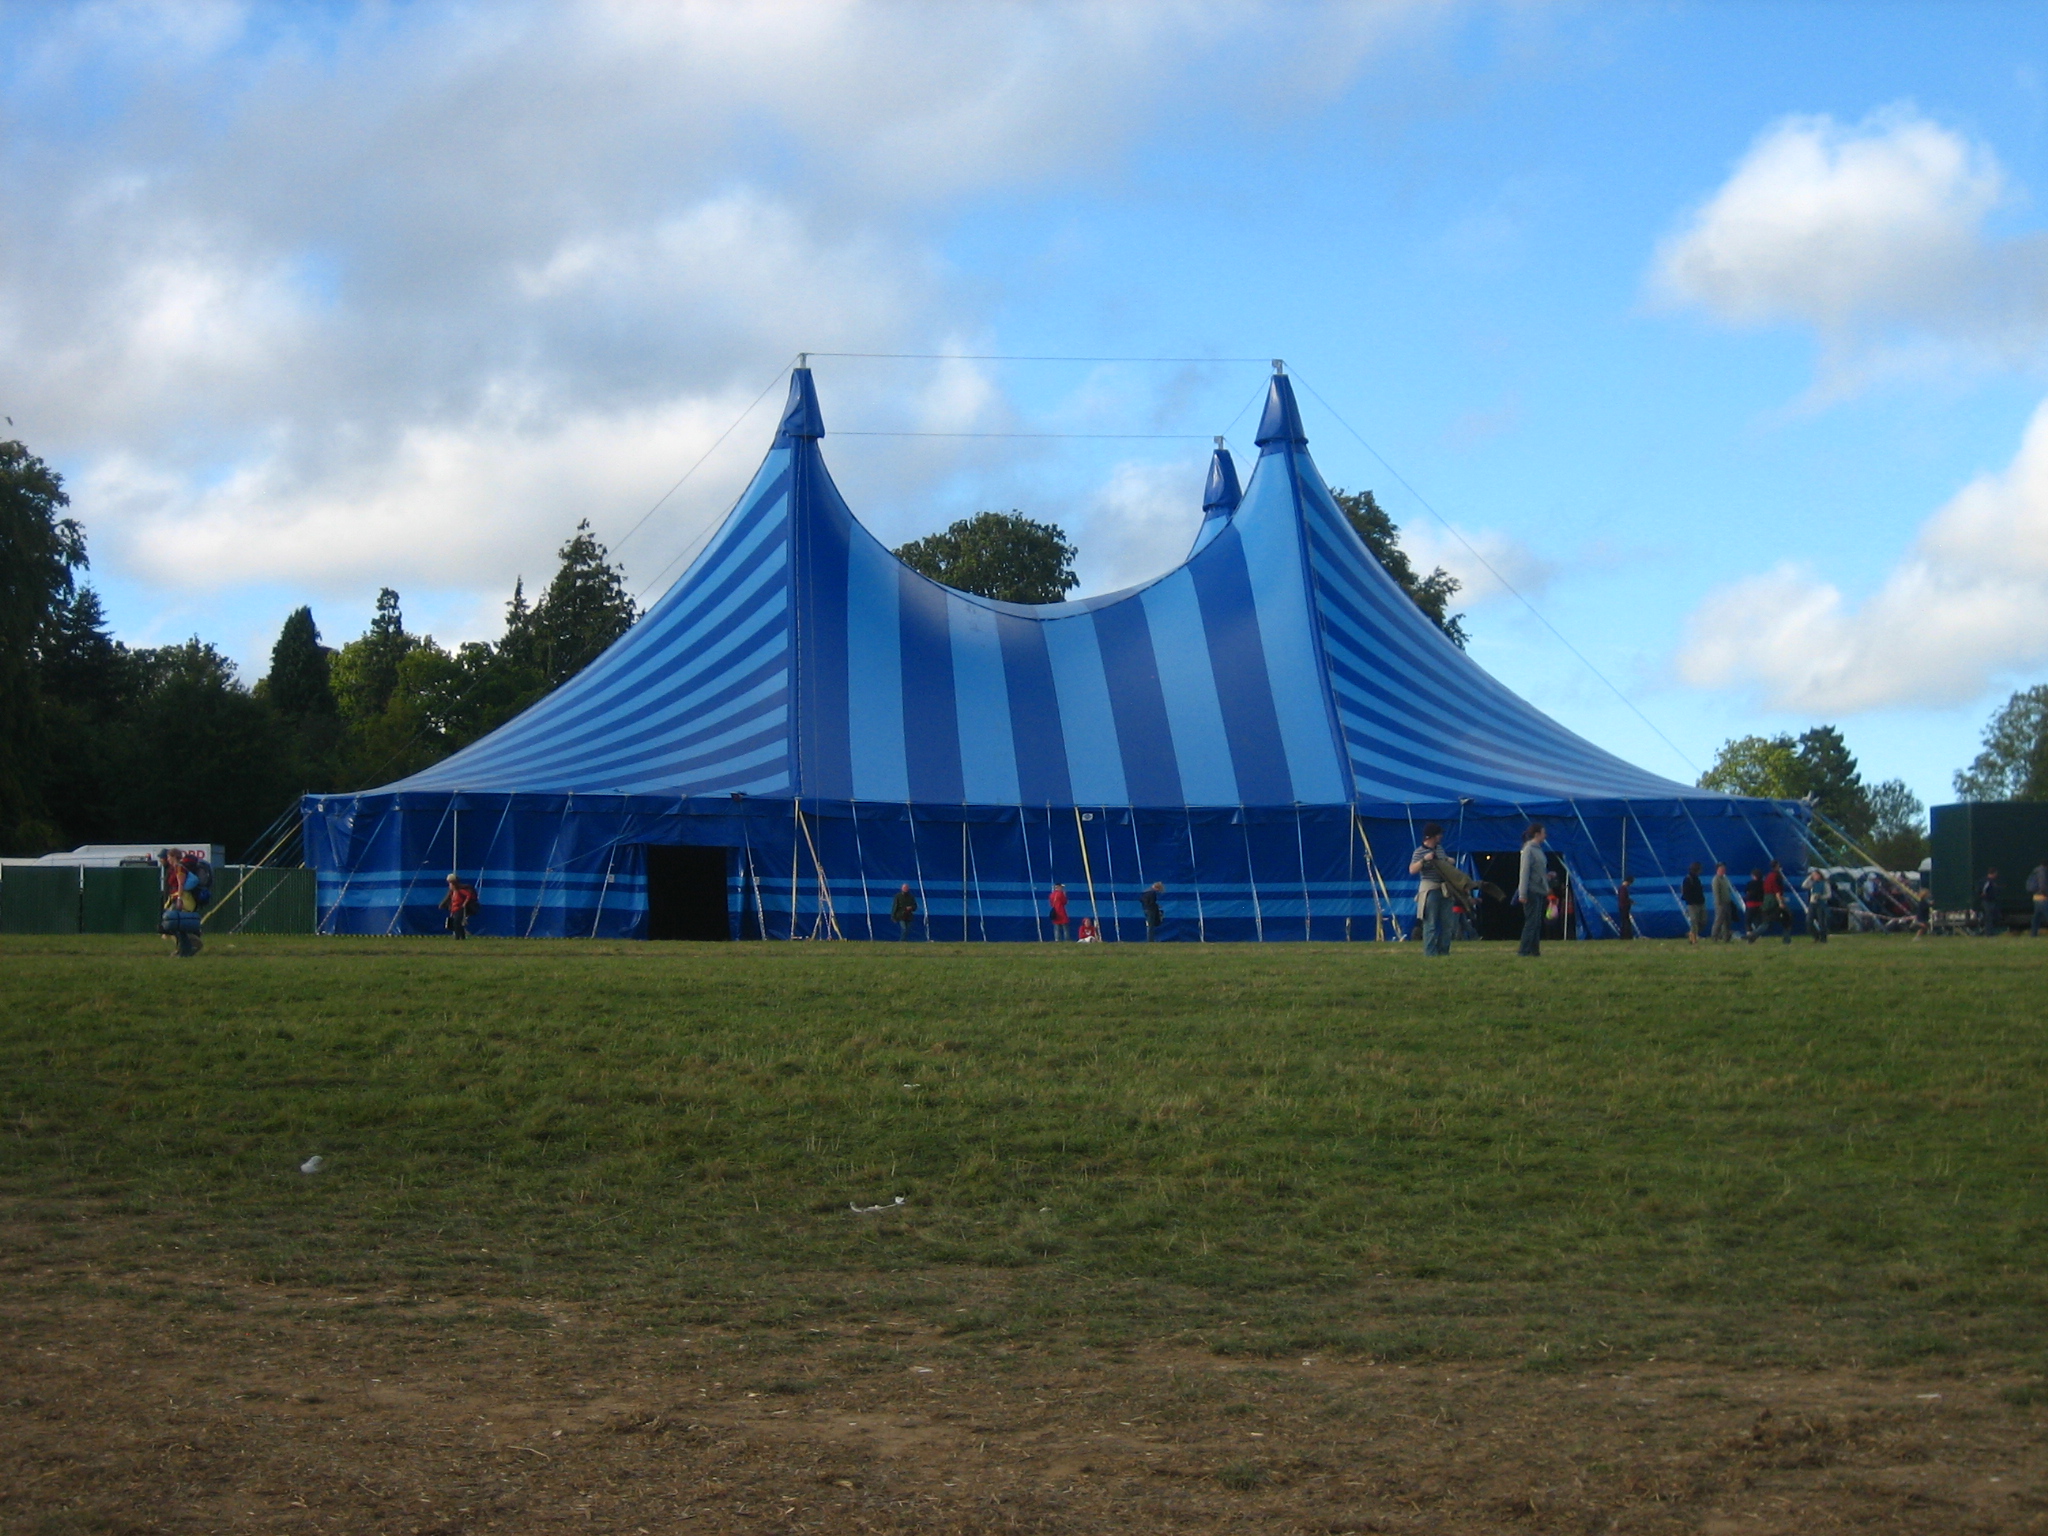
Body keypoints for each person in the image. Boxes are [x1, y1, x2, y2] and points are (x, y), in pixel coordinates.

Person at [1409, 822, 1455, 957]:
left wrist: (1448, 860)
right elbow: (1412, 869)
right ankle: (1430, 953)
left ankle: (1444, 951)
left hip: (1444, 889)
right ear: (1432, 836)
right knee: (1431, 923)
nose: (1441, 837)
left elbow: (1445, 862)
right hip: (1430, 889)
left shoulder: (1440, 849)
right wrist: (1424, 860)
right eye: (1439, 834)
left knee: (1447, 924)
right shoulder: (1419, 851)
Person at [1513, 822, 1548, 957]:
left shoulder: (1538, 849)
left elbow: (1537, 870)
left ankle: (1534, 950)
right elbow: (1524, 872)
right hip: (1531, 890)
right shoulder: (1528, 850)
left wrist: (1546, 877)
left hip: (1539, 889)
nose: (1545, 836)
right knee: (1531, 922)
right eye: (1543, 833)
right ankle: (1523, 950)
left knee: (1536, 922)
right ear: (1537, 834)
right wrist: (1522, 893)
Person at [1760, 861, 1792, 945]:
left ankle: (1753, 935)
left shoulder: (1769, 876)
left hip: (1768, 900)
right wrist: (1781, 902)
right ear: (1777, 866)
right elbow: (1777, 891)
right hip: (1774, 901)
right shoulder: (1776, 876)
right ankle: (1786, 939)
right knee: (1787, 918)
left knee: (1767, 921)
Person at [440, 872, 477, 939]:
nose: (449, 886)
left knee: (457, 923)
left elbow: (469, 895)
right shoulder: (452, 892)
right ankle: (462, 937)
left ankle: (457, 937)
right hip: (454, 909)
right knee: (457, 923)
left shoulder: (460, 891)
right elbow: (449, 899)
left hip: (460, 909)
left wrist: (464, 903)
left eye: (450, 884)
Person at [1681, 862, 1706, 947]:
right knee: (1694, 921)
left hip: (1700, 903)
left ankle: (1691, 933)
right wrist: (1690, 900)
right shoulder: (1688, 879)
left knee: (1703, 921)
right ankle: (1693, 938)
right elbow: (1686, 892)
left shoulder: (1697, 879)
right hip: (1692, 904)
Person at [1710, 863, 1736, 944]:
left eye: (1724, 869)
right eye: (1721, 869)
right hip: (1720, 904)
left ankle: (1726, 937)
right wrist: (1718, 903)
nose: (1723, 871)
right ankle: (1714, 936)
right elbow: (1716, 892)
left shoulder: (1725, 879)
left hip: (1727, 902)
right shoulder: (1716, 879)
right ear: (1717, 870)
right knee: (1719, 920)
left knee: (1727, 921)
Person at [1803, 866, 1830, 944]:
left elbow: (1829, 895)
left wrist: (1820, 896)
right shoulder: (1813, 883)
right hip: (1812, 903)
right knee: (1809, 921)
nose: (1814, 877)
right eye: (1813, 875)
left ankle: (1823, 938)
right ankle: (1815, 936)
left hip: (1821, 904)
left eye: (1815, 875)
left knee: (1821, 922)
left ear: (1819, 875)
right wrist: (1809, 877)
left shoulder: (1825, 883)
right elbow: (1804, 885)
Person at [1741, 868, 1765, 944]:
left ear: (1754, 876)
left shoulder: (1750, 883)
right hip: (1760, 905)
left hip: (1751, 904)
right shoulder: (1763, 884)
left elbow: (1747, 892)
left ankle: (1749, 935)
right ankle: (1757, 934)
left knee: (1748, 921)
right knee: (1758, 921)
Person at [2028, 860, 2048, 937]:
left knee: (2036, 918)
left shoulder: (2035, 871)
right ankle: (2033, 934)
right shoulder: (2042, 872)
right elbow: (2043, 886)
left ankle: (2033, 934)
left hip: (2036, 898)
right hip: (2043, 898)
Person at [1980, 867, 2003, 937]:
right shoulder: (1988, 881)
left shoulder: (1991, 881)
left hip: (1990, 901)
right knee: (1989, 917)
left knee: (1992, 917)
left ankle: (1990, 932)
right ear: (1994, 873)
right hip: (1988, 901)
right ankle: (1989, 933)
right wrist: (1984, 894)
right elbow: (1983, 890)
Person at [1616, 875, 1635, 940]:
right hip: (1624, 907)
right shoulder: (1623, 889)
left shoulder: (1621, 888)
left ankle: (1625, 936)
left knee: (1625, 921)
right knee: (1626, 922)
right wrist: (1629, 902)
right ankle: (1626, 936)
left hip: (1622, 907)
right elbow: (1623, 898)